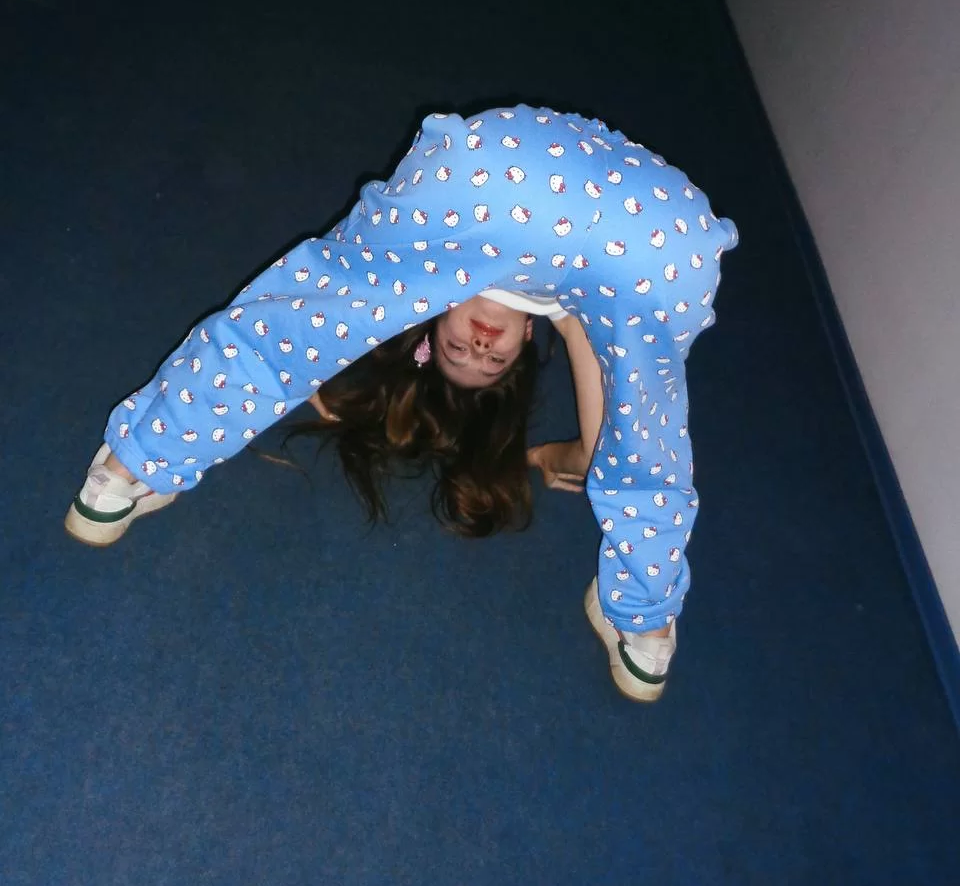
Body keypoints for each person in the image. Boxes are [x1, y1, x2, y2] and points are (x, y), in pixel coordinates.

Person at [65, 103, 737, 702]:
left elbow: (331, 314)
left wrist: (329, 365)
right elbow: (616, 439)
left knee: (294, 322)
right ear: (525, 340)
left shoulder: (455, 267)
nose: (479, 347)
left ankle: (125, 473)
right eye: (492, 360)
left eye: (460, 351)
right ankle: (646, 628)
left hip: (501, 183)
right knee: (649, 441)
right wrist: (556, 455)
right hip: (660, 237)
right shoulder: (570, 311)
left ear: (432, 315)